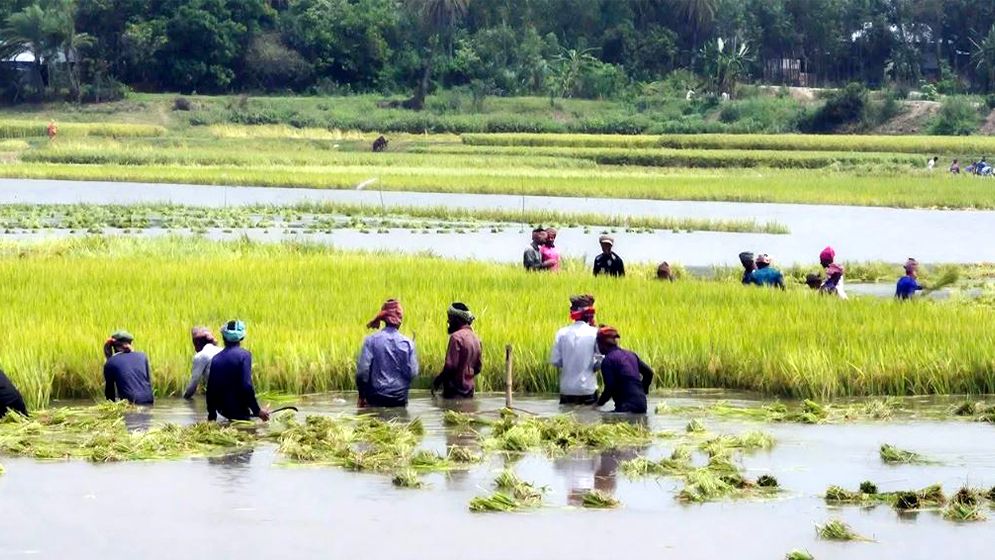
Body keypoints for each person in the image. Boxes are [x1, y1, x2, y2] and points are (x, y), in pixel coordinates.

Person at [357, 299, 419, 407]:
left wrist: (362, 396)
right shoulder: (408, 343)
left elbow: (362, 373)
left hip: (375, 398)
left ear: (384, 320)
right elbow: (413, 372)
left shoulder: (371, 341)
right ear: (400, 319)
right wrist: (400, 387)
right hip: (400, 399)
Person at [206, 320, 269, 422]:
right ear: (242, 337)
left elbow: (211, 390)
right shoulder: (244, 355)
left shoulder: (216, 358)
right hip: (240, 411)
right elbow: (246, 386)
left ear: (223, 337)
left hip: (223, 411)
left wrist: (212, 415)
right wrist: (257, 411)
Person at [550, 294, 599, 405]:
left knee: (567, 420)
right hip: (588, 389)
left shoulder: (561, 333)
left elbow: (556, 361)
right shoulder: (595, 333)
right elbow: (601, 361)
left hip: (567, 390)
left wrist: (570, 363)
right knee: (591, 420)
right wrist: (591, 366)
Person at [594, 326, 653, 414]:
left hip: (625, 407)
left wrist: (597, 404)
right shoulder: (631, 354)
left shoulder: (608, 361)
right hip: (642, 405)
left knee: (603, 419)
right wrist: (643, 390)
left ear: (602, 344)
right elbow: (649, 373)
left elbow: (610, 387)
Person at [432, 302, 482, 399]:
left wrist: (438, 380)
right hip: (469, 393)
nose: (448, 321)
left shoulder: (456, 338)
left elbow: (450, 366)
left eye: (450, 318)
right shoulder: (476, 339)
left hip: (454, 393)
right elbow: (478, 368)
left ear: (457, 320)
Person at [102, 330, 154, 405]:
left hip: (130, 402)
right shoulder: (143, 356)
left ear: (114, 347)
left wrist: (110, 408)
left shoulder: (110, 362)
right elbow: (148, 381)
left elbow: (110, 392)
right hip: (149, 399)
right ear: (130, 343)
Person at [183, 326, 222, 399]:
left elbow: (193, 385)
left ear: (197, 343)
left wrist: (184, 400)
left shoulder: (201, 356)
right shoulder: (223, 350)